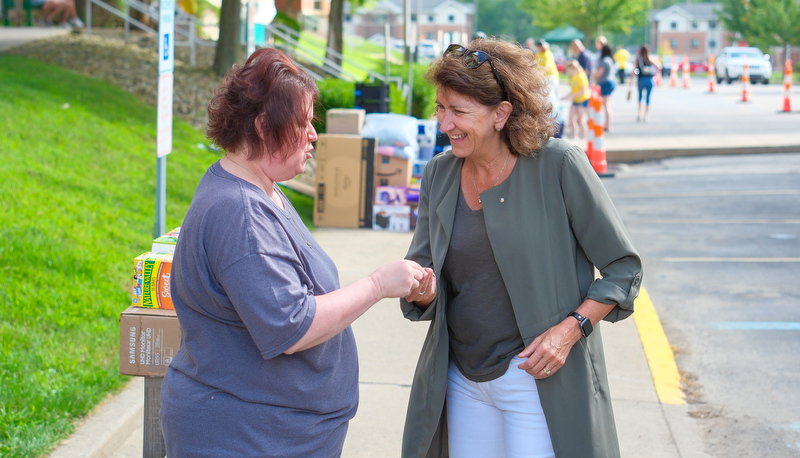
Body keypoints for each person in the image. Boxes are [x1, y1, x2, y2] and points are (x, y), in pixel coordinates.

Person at [159, 48, 427, 457]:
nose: (314, 134)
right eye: (303, 123)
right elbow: (293, 327)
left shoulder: (261, 188)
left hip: (271, 430)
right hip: (247, 435)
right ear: (265, 127)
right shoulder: (241, 211)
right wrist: (377, 285)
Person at [400, 38, 643, 457]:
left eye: (458, 111)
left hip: (537, 381)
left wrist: (571, 330)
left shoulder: (559, 165)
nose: (445, 123)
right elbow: (424, 268)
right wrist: (420, 289)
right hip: (462, 380)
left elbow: (624, 269)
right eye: (441, 108)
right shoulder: (439, 174)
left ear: (501, 113)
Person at [534, 38, 563, 138]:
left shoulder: (547, 53)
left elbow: (547, 67)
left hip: (550, 78)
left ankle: (555, 115)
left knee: (552, 98)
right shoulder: (539, 53)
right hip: (544, 78)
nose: (540, 47)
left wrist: (537, 74)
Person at [632, 44, 661, 122]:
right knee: (648, 98)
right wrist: (655, 73)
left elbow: (634, 70)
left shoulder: (638, 59)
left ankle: (639, 114)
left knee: (640, 97)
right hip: (650, 79)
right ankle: (646, 115)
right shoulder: (651, 58)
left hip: (641, 79)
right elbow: (659, 66)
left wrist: (631, 79)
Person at [562, 59, 590, 140]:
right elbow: (574, 90)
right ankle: (575, 137)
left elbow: (582, 90)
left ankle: (583, 137)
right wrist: (566, 96)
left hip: (582, 100)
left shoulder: (581, 76)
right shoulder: (572, 77)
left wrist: (570, 97)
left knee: (581, 119)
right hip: (575, 100)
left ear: (571, 68)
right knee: (571, 118)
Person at [592, 44, 617, 131]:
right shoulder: (610, 60)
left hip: (605, 83)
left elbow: (599, 74)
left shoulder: (604, 61)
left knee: (606, 105)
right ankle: (608, 124)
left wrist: (593, 74)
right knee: (607, 104)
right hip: (611, 82)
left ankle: (607, 125)